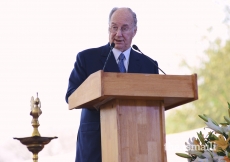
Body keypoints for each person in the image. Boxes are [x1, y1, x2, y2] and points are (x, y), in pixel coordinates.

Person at [65, 7, 159, 162]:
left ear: (134, 31)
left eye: (124, 28)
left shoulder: (149, 65)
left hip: (138, 144)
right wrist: (100, 96)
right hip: (96, 143)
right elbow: (71, 96)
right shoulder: (87, 58)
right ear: (108, 29)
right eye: (114, 28)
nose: (118, 34)